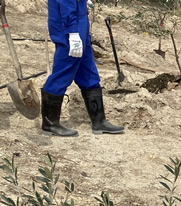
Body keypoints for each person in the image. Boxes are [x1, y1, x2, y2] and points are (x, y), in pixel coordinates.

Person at [41, 0, 124, 137]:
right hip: (69, 30)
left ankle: (99, 121)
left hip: (80, 26)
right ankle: (50, 124)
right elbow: (66, 6)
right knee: (62, 73)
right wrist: (73, 33)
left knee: (88, 73)